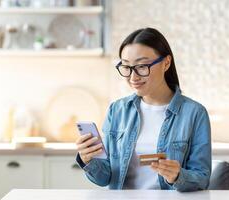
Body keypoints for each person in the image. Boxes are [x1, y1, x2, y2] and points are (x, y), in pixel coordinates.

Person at [75, 27, 211, 192]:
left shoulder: (194, 114)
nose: (133, 77)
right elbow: (105, 178)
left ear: (166, 63)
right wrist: (88, 160)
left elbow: (202, 178)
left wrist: (177, 176)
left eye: (142, 66)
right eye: (126, 67)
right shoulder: (117, 110)